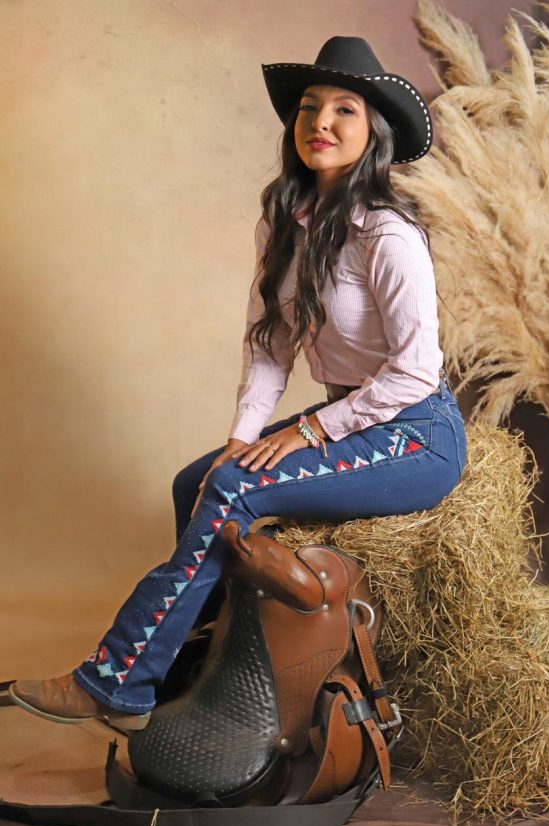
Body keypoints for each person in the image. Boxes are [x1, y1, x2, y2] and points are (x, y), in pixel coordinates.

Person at [9, 36, 467, 731]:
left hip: (416, 433)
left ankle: (116, 682)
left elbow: (414, 372)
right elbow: (270, 345)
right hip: (354, 416)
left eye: (344, 110)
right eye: (309, 107)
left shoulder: (389, 235)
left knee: (232, 489)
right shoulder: (285, 222)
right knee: (196, 481)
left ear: (373, 131)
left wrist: (311, 429)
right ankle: (202, 666)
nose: (321, 122)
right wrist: (240, 437)